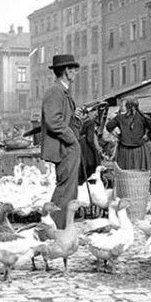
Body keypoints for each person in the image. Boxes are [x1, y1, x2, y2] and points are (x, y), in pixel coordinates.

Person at [41, 54, 82, 229]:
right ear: (66, 71)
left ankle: (63, 226)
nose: (75, 72)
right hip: (64, 147)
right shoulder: (55, 91)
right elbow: (53, 120)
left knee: (70, 189)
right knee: (65, 189)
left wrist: (76, 118)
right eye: (73, 69)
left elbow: (62, 119)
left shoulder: (62, 91)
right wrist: (72, 138)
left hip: (66, 146)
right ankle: (55, 228)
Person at [105, 97, 151, 171]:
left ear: (127, 107)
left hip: (124, 151)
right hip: (139, 150)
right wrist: (148, 137)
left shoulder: (120, 118)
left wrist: (117, 136)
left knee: (125, 174)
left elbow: (109, 126)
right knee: (138, 174)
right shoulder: (143, 117)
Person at [78, 108, 102, 183]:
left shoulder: (82, 121)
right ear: (89, 112)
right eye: (94, 112)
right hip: (86, 146)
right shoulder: (91, 122)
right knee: (91, 163)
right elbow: (90, 138)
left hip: (81, 144)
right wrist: (95, 148)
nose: (96, 114)